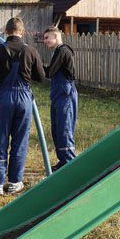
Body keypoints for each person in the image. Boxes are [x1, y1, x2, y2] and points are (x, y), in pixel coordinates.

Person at [0, 17, 45, 195]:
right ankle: (15, 182)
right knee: (20, 141)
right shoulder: (31, 50)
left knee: (0, 140)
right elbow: (41, 77)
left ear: (6, 32)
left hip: (4, 98)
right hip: (24, 99)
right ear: (22, 32)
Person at [43, 26, 78, 170]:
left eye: (47, 38)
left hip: (66, 94)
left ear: (56, 36)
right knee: (56, 129)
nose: (45, 41)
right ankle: (63, 161)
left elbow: (50, 72)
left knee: (64, 129)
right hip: (57, 94)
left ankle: (70, 164)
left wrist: (34, 65)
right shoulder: (57, 51)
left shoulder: (63, 51)